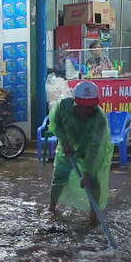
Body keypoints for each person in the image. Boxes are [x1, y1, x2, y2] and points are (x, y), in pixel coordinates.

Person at [48, 80, 113, 225]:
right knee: (59, 176)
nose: (84, 111)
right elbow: (55, 123)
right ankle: (51, 208)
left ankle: (93, 216)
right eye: (81, 107)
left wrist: (87, 174)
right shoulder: (64, 107)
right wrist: (64, 141)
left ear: (95, 105)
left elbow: (95, 149)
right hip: (68, 146)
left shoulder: (99, 120)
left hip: (88, 150)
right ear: (75, 103)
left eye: (89, 108)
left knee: (93, 183)